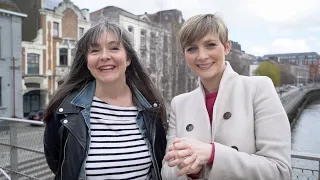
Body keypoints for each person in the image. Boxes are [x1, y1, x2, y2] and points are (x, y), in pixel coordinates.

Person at [161, 14, 292, 180]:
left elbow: (280, 171)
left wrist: (213, 154)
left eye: (210, 45)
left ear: (227, 47)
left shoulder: (259, 89)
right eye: (191, 48)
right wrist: (193, 171)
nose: (201, 56)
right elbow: (167, 172)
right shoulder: (179, 104)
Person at [43, 19, 167, 180]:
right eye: (94, 51)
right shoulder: (65, 110)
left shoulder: (151, 108)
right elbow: (59, 163)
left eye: (114, 48)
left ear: (128, 58)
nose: (104, 56)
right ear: (87, 61)